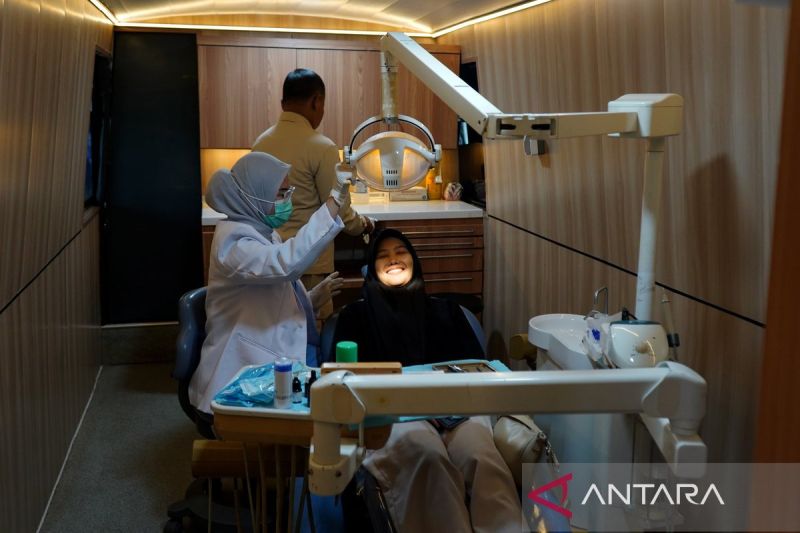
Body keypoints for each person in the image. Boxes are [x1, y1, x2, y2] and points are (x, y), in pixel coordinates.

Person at [332, 229, 524, 533]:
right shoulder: (355, 317)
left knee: (483, 458)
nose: (393, 260)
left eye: (401, 252)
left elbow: (477, 370)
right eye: (383, 256)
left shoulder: (446, 311)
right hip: (393, 416)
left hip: (457, 413)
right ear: (372, 269)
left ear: (414, 260)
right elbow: (342, 380)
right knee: (430, 458)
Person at [188, 152, 353, 414]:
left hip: (270, 357)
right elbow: (286, 264)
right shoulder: (234, 244)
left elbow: (269, 293)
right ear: (253, 195)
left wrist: (309, 300)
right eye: (281, 193)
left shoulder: (262, 233)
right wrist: (334, 200)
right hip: (239, 373)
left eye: (289, 192)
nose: (288, 200)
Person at [252, 68, 374, 318]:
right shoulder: (322, 147)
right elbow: (338, 208)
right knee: (310, 327)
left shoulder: (259, 144)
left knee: (277, 326)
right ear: (316, 101)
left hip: (270, 259)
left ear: (283, 103)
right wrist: (363, 225)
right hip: (309, 263)